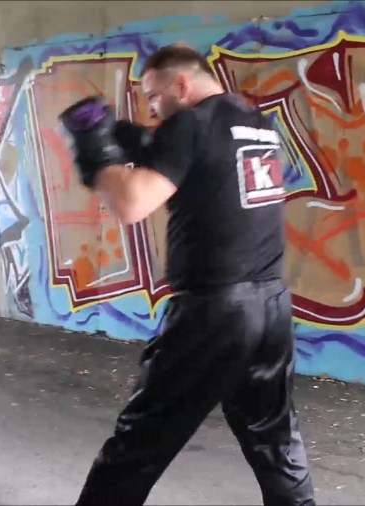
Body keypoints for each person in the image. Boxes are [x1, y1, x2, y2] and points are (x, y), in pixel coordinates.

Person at [58, 45, 316, 506]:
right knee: (276, 444)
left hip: (213, 314)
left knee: (139, 441)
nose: (152, 107)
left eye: (155, 96)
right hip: (271, 306)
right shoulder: (253, 121)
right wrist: (125, 135)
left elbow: (132, 203)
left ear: (181, 85)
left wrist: (99, 152)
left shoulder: (189, 124)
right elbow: (193, 158)